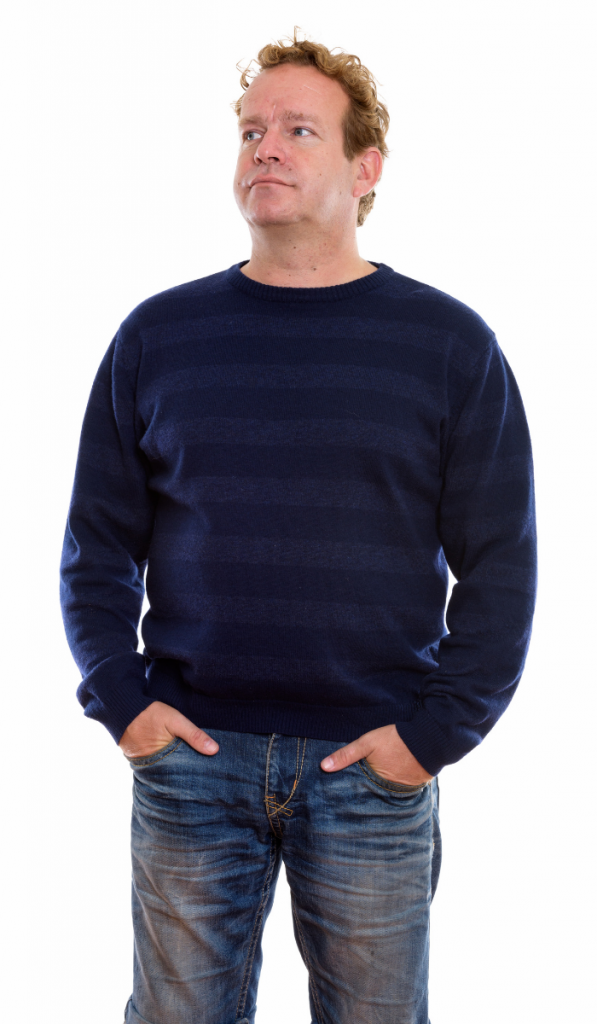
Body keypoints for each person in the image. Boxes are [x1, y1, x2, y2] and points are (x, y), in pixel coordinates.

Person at [59, 28, 537, 1024]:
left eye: (298, 130)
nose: (263, 148)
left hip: (369, 766)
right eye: (249, 130)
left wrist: (432, 735)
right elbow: (97, 544)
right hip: (191, 759)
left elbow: (502, 564)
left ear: (365, 169)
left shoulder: (450, 346)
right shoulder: (159, 336)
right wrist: (123, 703)